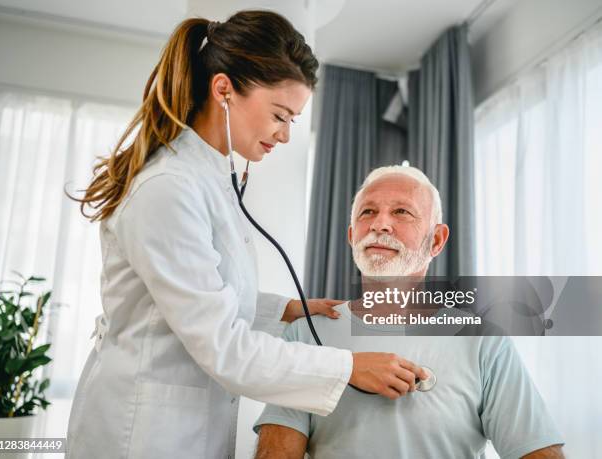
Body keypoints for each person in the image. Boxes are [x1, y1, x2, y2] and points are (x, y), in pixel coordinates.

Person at [65, 11, 427, 459]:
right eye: (280, 115)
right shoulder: (169, 189)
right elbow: (223, 347)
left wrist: (286, 310)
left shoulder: (209, 178)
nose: (286, 134)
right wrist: (349, 366)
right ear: (223, 90)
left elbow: (204, 293)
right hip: (140, 434)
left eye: (293, 119)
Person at [254, 165, 565, 458]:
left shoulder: (482, 340)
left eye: (401, 212)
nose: (379, 224)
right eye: (368, 212)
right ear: (352, 237)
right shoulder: (307, 333)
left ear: (437, 240)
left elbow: (535, 450)